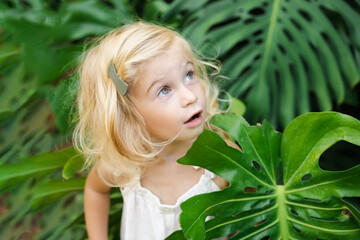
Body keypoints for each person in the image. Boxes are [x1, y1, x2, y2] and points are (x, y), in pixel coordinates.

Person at [74, 21, 238, 239]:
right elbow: (96, 190)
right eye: (164, 90)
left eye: (189, 75)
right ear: (128, 114)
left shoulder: (222, 156)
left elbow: (256, 200)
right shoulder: (125, 166)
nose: (190, 97)